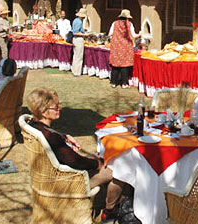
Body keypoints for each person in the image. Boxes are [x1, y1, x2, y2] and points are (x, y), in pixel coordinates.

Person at [26, 88, 125, 221]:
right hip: (66, 182)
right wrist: (96, 165)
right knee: (119, 171)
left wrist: (64, 136)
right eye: (56, 107)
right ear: (44, 112)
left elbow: (54, 138)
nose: (60, 108)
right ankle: (110, 210)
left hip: (50, 177)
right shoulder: (51, 137)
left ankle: (116, 202)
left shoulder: (35, 125)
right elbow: (74, 160)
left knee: (98, 157)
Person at [109, 9, 139, 89]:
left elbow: (110, 34)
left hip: (116, 46)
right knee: (124, 65)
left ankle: (114, 82)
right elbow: (134, 35)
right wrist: (140, 34)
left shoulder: (114, 23)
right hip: (126, 46)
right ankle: (124, 83)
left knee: (115, 65)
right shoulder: (129, 24)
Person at [71, 8, 88, 76]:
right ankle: (77, 72)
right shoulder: (79, 21)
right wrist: (85, 34)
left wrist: (83, 30)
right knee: (79, 57)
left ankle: (74, 70)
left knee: (75, 56)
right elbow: (76, 32)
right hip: (78, 39)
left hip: (75, 39)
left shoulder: (75, 20)